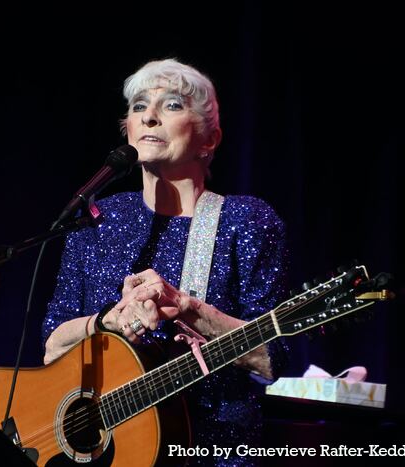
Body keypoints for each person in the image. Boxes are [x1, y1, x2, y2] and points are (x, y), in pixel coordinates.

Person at [42, 58, 288, 466]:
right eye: (139, 106)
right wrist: (108, 321)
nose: (150, 117)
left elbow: (273, 357)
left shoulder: (245, 220)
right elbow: (51, 345)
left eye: (172, 105)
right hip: (113, 451)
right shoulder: (99, 220)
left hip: (209, 448)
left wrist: (190, 309)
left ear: (209, 139)